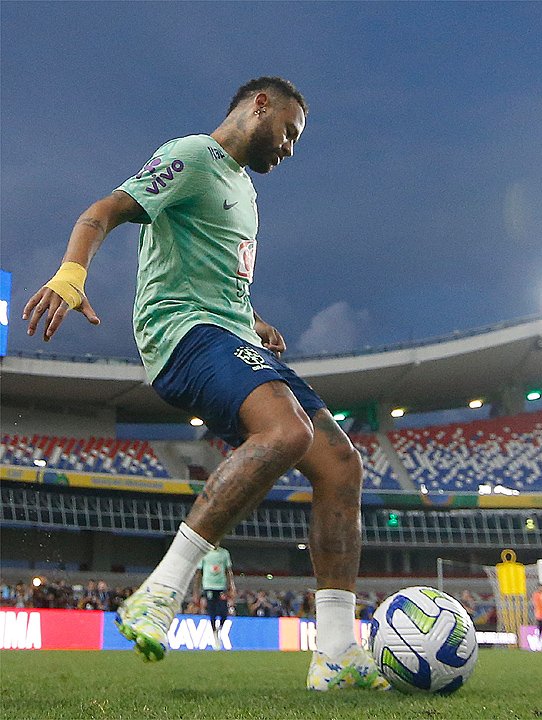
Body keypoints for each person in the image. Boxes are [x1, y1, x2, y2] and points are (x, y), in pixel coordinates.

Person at [22, 77, 385, 691]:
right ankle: (161, 591)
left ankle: (336, 650)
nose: (290, 148)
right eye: (290, 132)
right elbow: (103, 211)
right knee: (286, 432)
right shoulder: (191, 156)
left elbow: (221, 283)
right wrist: (70, 274)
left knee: (342, 465)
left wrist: (254, 320)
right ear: (260, 105)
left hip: (230, 334)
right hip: (181, 333)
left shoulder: (246, 191)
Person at [191, 544, 236, 640]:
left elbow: (229, 571)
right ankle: (214, 630)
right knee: (212, 610)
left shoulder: (224, 553)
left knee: (224, 611)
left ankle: (220, 627)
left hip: (221, 586)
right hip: (209, 586)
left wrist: (232, 586)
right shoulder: (204, 552)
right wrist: (196, 590)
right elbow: (198, 573)